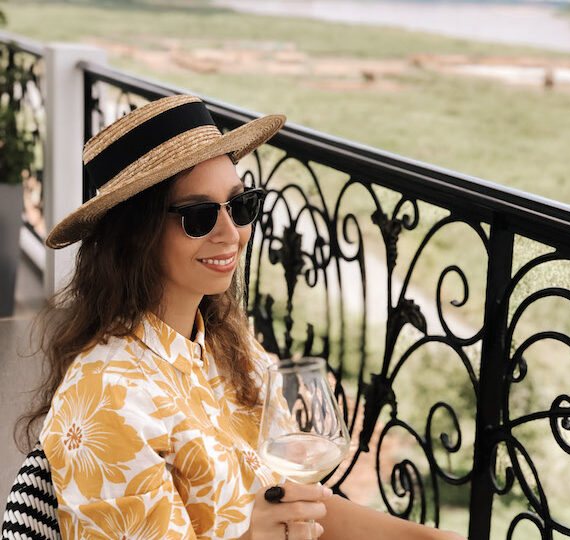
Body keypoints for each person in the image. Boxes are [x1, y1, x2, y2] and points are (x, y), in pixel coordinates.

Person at [20, 94, 464, 539]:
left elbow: (300, 506)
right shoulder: (106, 399)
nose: (232, 233)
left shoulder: (224, 343)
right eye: (198, 216)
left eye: (240, 205)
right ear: (135, 236)